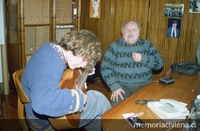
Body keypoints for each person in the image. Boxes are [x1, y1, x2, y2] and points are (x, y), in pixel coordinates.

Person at [21, 29, 111, 131]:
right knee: (99, 100)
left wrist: (84, 73)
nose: (84, 65)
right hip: (46, 122)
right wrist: (79, 99)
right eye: (85, 60)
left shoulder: (54, 49)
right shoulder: (51, 63)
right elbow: (41, 103)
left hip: (39, 117)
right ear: (77, 50)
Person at [100, 20, 164, 107]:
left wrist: (143, 58)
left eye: (134, 30)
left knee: (154, 109)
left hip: (145, 85)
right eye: (127, 30)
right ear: (122, 32)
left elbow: (160, 63)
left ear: (139, 32)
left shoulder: (147, 45)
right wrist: (114, 86)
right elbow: (105, 68)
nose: (130, 33)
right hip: (122, 87)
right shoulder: (114, 47)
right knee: (115, 113)